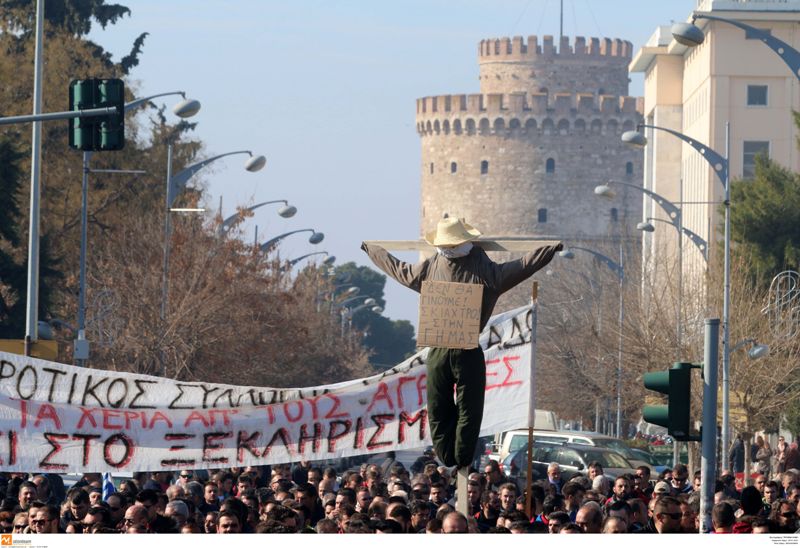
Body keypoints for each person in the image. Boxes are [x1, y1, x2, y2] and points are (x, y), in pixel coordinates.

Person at [361, 215, 562, 466]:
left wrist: (372, 250)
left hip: (437, 351)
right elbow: (524, 265)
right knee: (470, 407)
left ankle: (446, 454)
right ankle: (462, 455)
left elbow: (396, 267)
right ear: (467, 241)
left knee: (437, 405)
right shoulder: (487, 272)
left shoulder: (428, 268)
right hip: (468, 349)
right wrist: (549, 250)